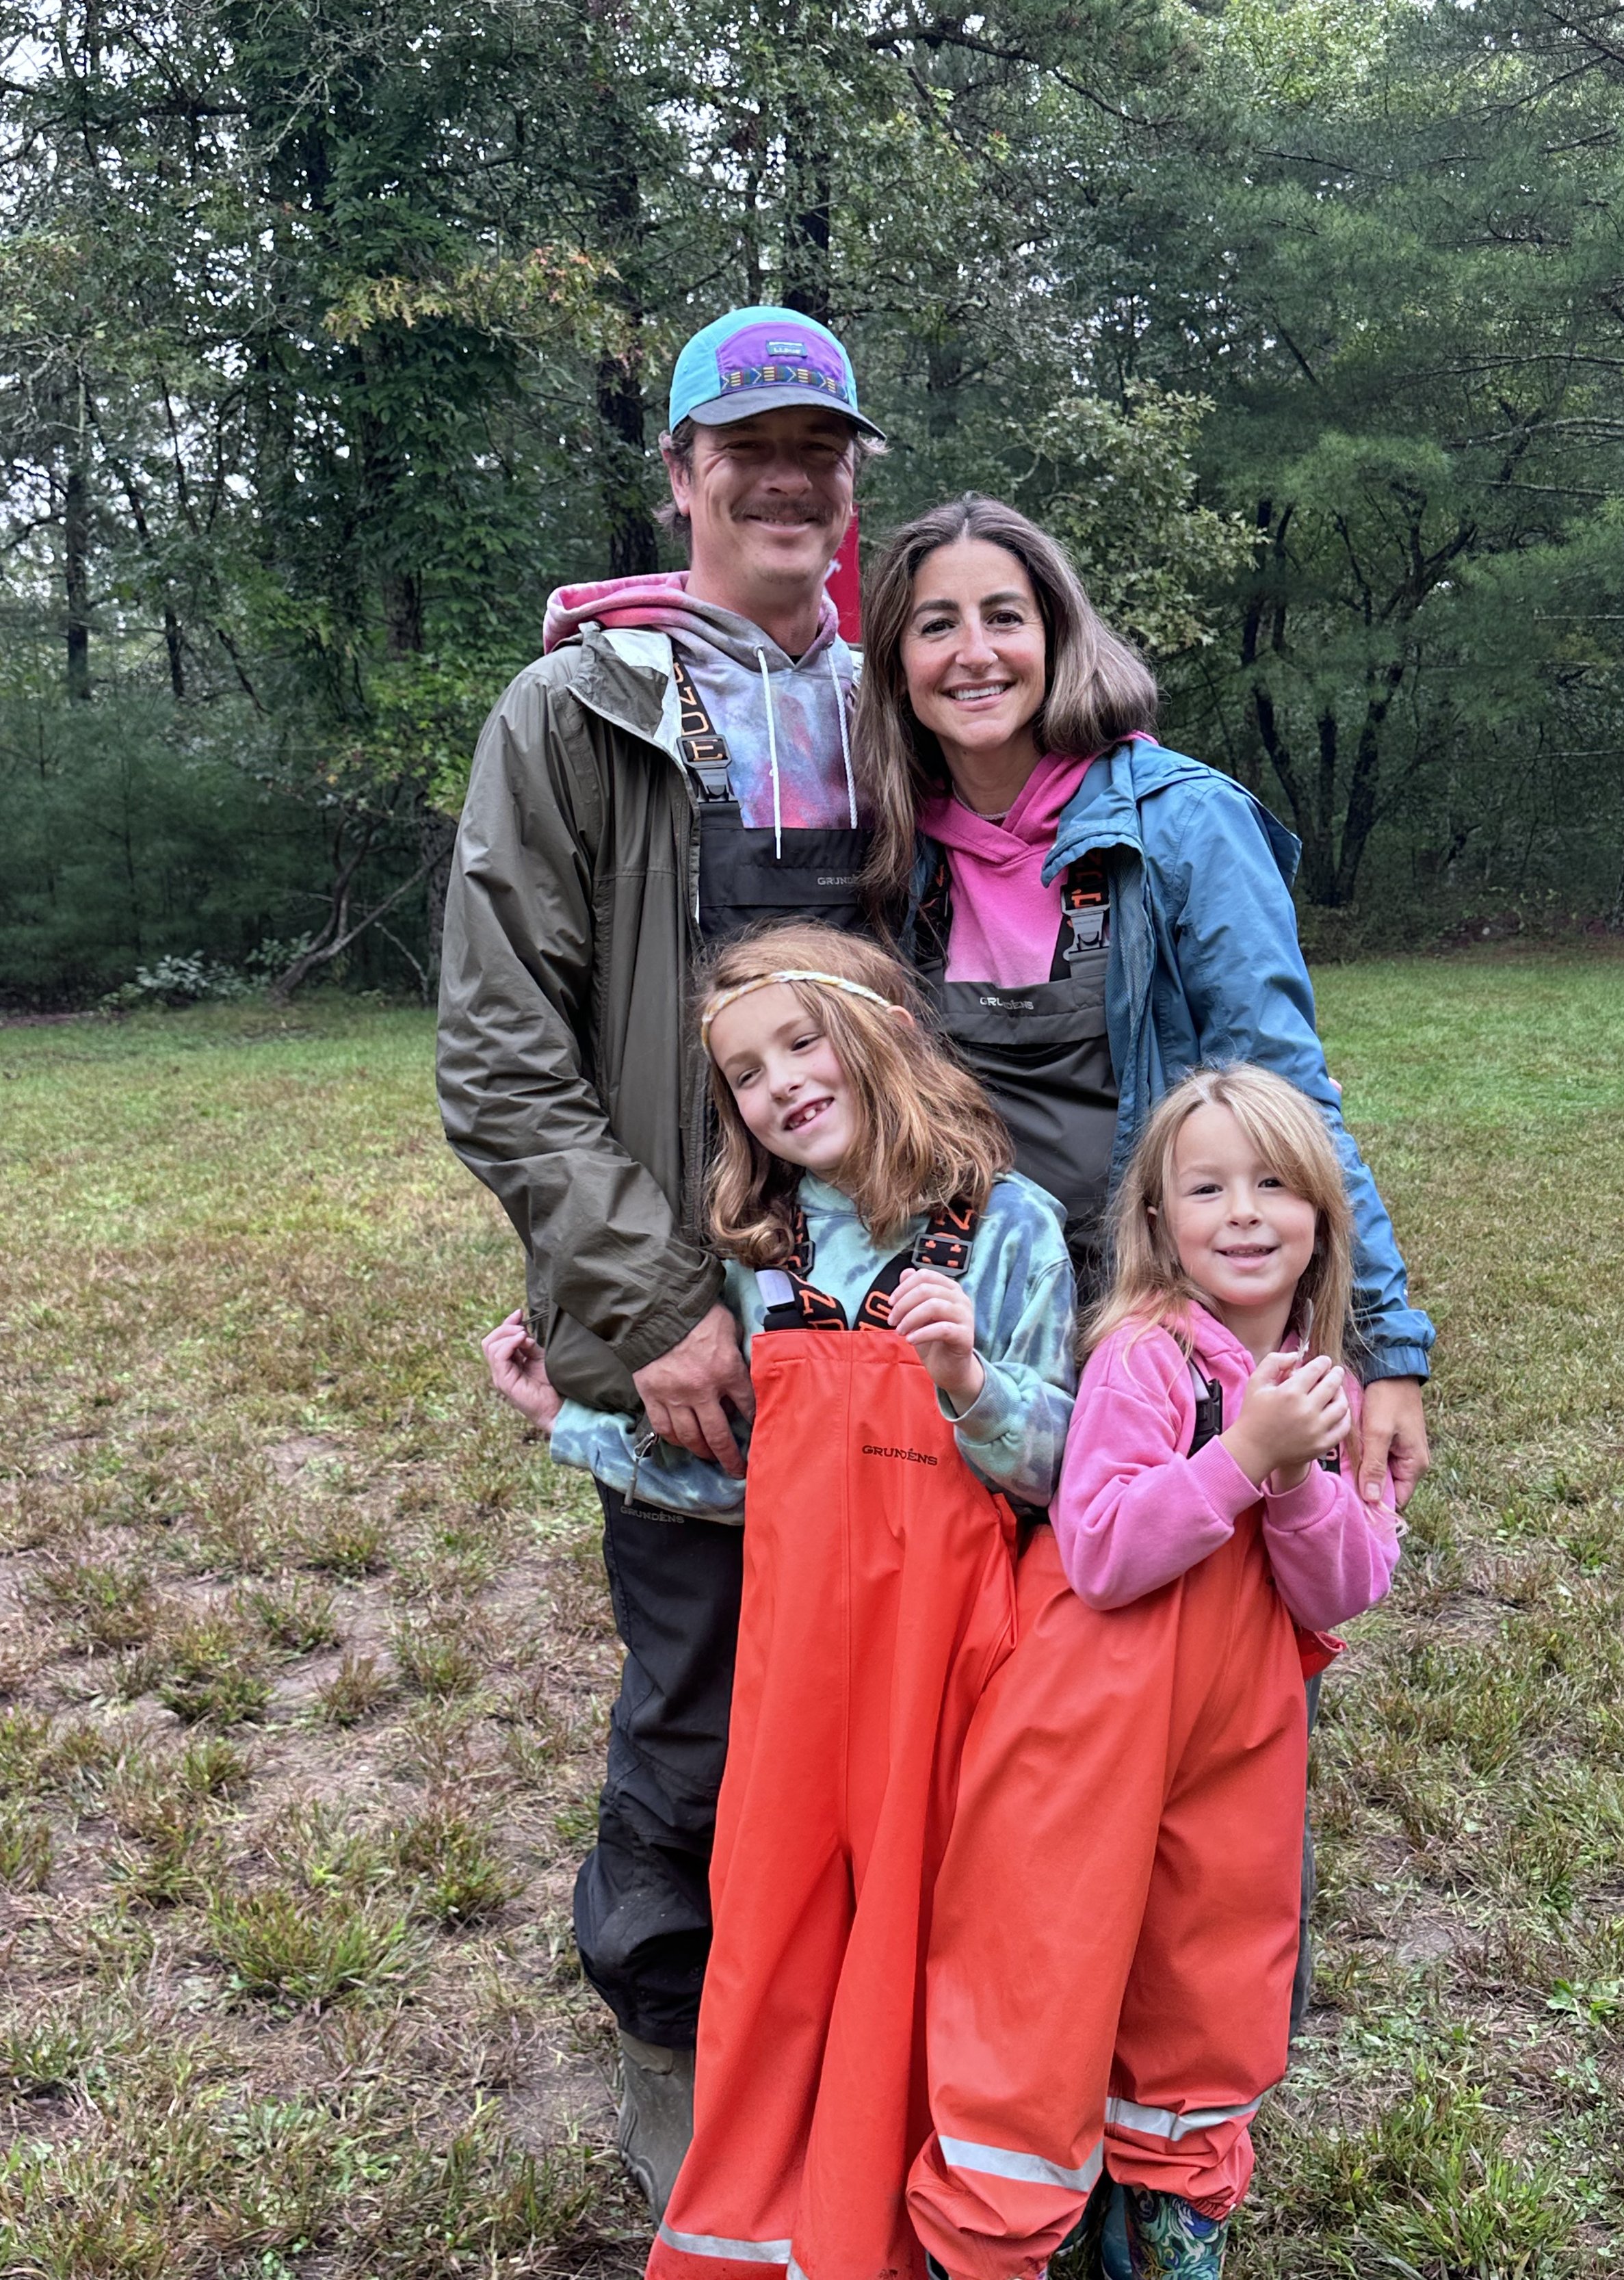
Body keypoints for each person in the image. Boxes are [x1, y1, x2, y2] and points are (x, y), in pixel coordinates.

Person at [851, 493, 1435, 2052]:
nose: (973, 651)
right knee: (1039, 1705)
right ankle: (1030, 2036)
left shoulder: (1176, 819)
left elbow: (1284, 1090)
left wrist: (1382, 1341)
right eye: (933, 623)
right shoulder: (900, 850)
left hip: (1177, 1342)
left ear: (1056, 631)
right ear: (893, 661)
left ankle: (1194, 2073)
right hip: (1000, 1346)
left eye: (1003, 615)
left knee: (1210, 1718)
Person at [437, 307, 884, 2210]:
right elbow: (499, 1039)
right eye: (747, 447)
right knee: (696, 1699)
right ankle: (673, 2050)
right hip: (688, 1319)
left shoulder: (908, 699)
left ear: (850, 484)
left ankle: (865, 2049)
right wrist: (642, 1302)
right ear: (682, 477)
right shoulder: (577, 709)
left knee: (891, 1698)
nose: (783, 477)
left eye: (819, 450)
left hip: (892, 1316)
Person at [484, 920, 1077, 2280]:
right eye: (746, 1072)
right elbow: (741, 1475)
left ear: (882, 1037)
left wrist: (973, 1386)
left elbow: (1058, 1466)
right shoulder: (762, 1253)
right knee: (786, 1937)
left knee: (942, 1936)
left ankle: (950, 2217)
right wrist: (563, 1423)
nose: (780, 1085)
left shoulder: (1005, 1228)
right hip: (796, 1684)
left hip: (952, 1673)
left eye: (801, 1044)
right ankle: (788, 2212)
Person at [908, 1064, 1402, 2280]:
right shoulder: (1143, 1356)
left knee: (1207, 1964)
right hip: (1095, 1723)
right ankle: (1002, 2224)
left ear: (1322, 1223)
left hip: (1234, 1735)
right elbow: (1107, 1547)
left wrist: (1293, 1472)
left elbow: (1342, 1587)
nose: (1243, 1211)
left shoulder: (1322, 1387)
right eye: (1209, 1186)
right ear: (1158, 1222)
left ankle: (1167, 2201)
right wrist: (1242, 1455)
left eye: (1275, 1184)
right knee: (1050, 1960)